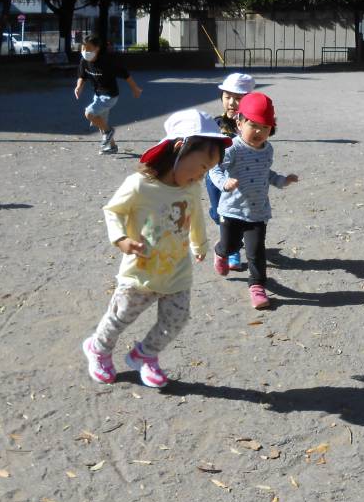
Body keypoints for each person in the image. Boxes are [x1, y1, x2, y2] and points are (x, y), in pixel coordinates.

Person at [82, 109, 231, 388]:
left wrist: (200, 244)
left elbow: (196, 214)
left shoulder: (190, 187)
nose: (202, 175)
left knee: (177, 318)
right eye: (200, 166)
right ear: (179, 148)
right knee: (120, 317)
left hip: (176, 270)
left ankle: (145, 355)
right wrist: (120, 239)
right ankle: (98, 349)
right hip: (141, 271)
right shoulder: (140, 185)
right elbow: (112, 210)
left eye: (207, 171)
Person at [209, 92, 298, 309]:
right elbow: (215, 168)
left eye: (265, 127)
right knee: (230, 245)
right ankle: (220, 251)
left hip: (258, 212)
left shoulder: (267, 149)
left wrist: (281, 180)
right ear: (239, 123)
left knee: (256, 252)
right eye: (254, 125)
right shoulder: (233, 148)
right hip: (231, 210)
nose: (259, 131)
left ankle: (257, 286)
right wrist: (224, 183)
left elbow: (265, 172)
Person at [205, 72, 255, 271]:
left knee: (234, 215)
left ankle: (233, 250)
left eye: (238, 98)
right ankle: (216, 216)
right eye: (228, 97)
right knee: (219, 214)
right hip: (215, 177)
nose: (232, 103)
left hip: (239, 178)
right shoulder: (215, 124)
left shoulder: (250, 126)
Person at [74, 34, 142, 154]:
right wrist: (79, 87)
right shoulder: (84, 61)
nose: (85, 51)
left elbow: (125, 74)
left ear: (97, 48)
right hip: (98, 95)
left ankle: (109, 132)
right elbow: (82, 76)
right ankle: (112, 147)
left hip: (110, 95)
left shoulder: (107, 62)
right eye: (83, 48)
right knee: (101, 123)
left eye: (88, 48)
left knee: (89, 113)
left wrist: (135, 88)